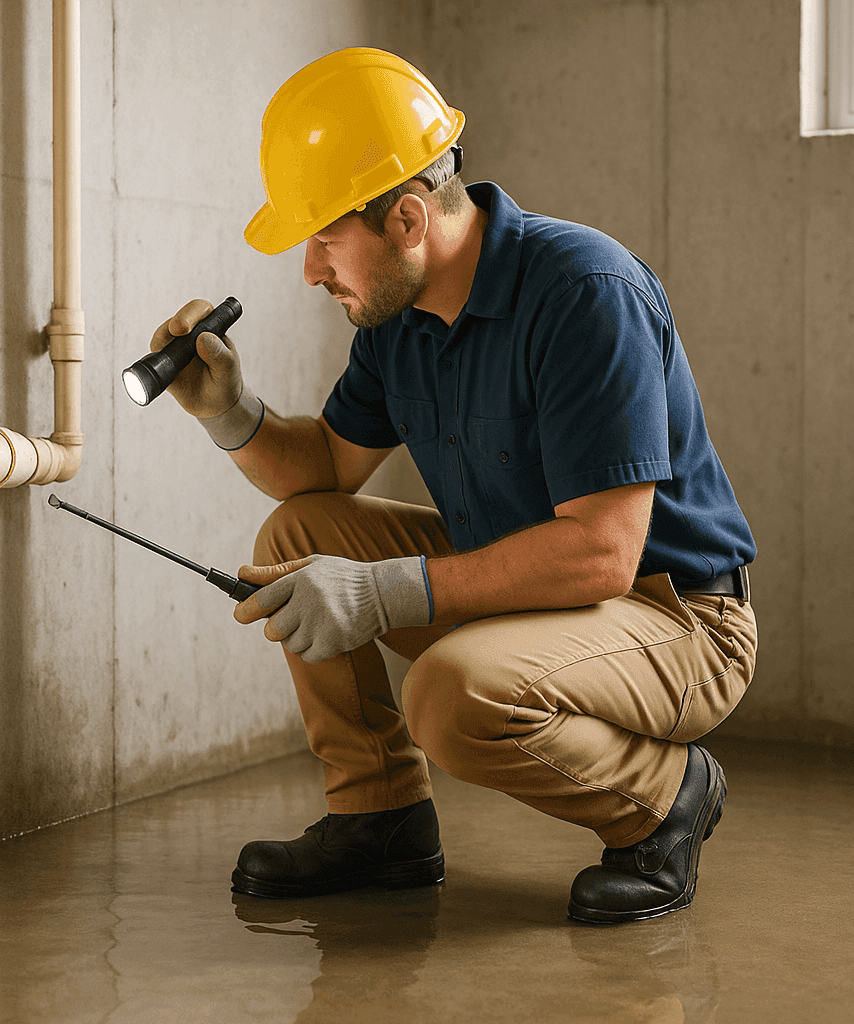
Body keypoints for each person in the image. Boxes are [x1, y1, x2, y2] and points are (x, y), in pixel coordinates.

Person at [150, 48, 757, 924]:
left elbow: (601, 553)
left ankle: (664, 797)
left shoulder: (585, 293)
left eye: (325, 239)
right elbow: (322, 468)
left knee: (447, 692)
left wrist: (381, 592)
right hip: (536, 593)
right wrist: (228, 411)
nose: (311, 272)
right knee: (297, 539)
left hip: (678, 617)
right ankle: (382, 819)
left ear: (405, 218)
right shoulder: (399, 321)